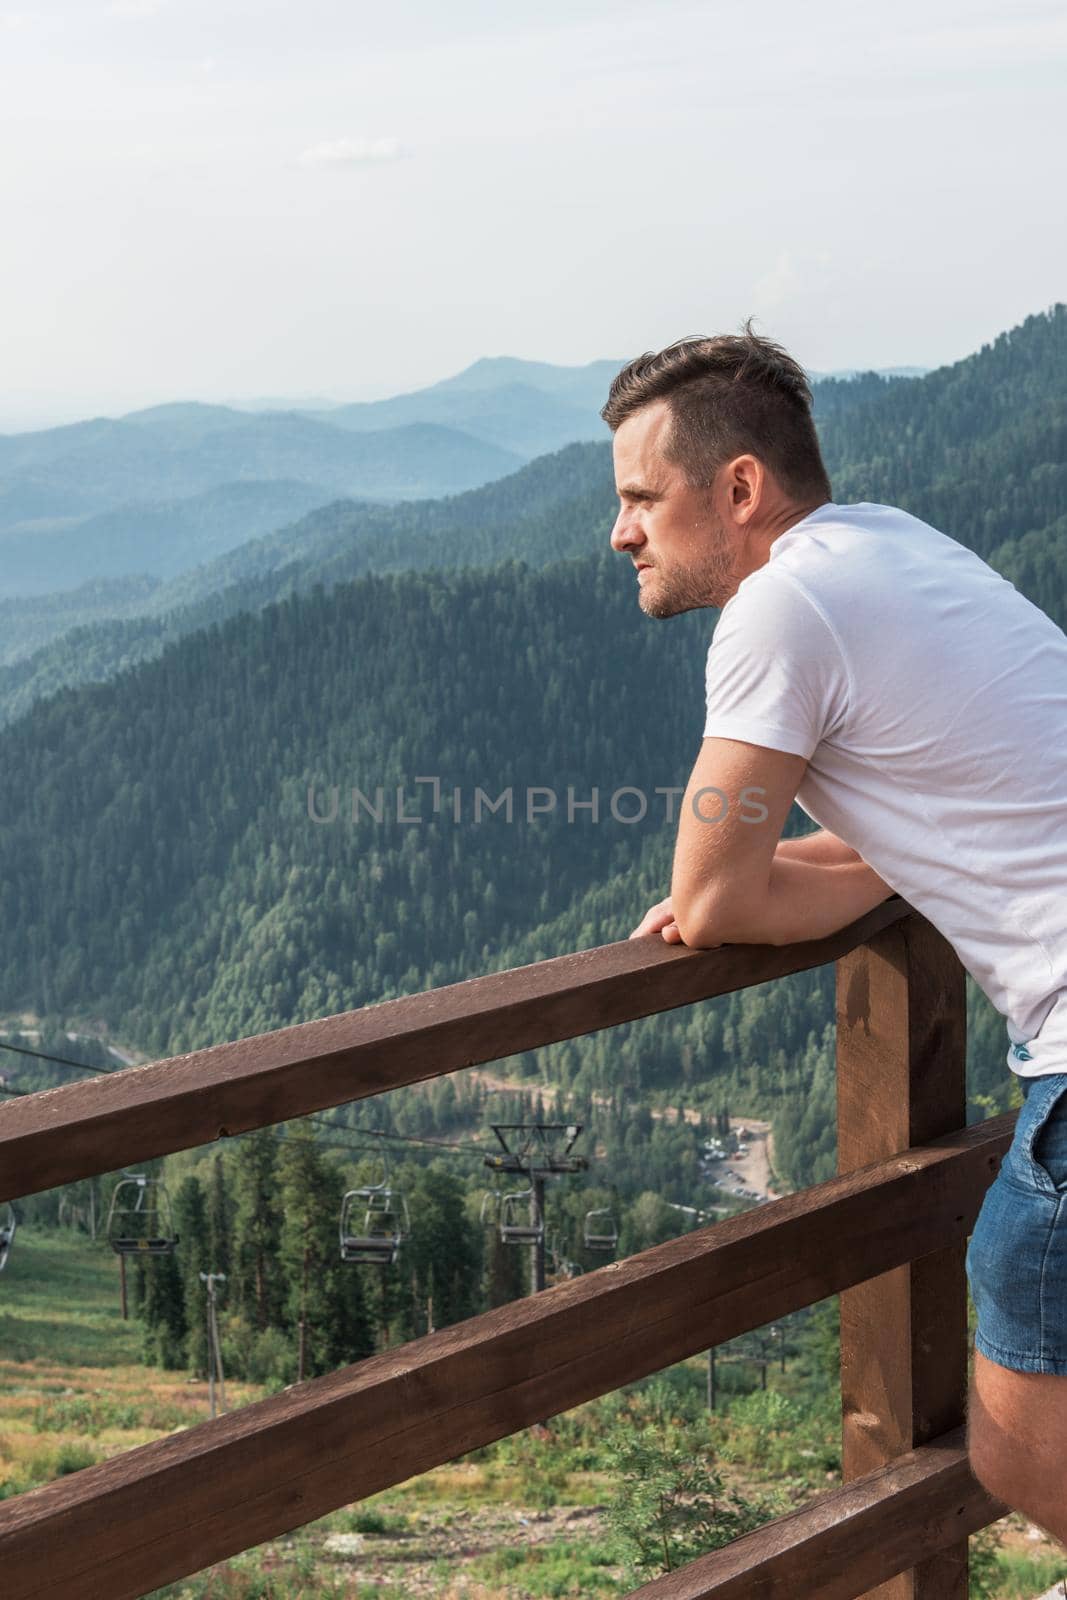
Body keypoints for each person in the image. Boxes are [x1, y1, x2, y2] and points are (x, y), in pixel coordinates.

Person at [603, 323, 1067, 1543]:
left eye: (641, 497)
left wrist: (742, 883)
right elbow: (917, 836)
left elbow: (708, 902)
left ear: (738, 487)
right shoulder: (892, 546)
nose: (621, 532)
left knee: (1023, 1451)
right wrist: (790, 870)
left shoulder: (778, 611)